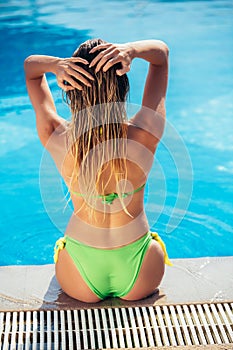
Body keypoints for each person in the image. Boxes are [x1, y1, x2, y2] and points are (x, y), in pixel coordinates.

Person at [24, 38, 171, 303]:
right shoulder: (145, 133)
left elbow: (31, 70)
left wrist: (56, 65)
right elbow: (161, 56)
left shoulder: (56, 136)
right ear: (123, 89)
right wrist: (132, 50)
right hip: (140, 269)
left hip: (80, 272)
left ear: (70, 91)